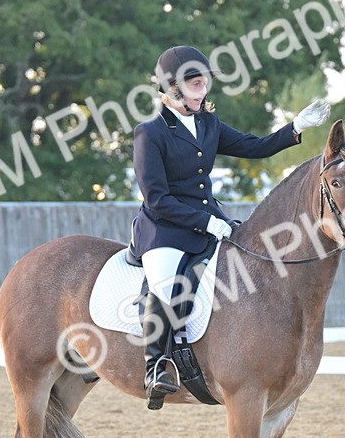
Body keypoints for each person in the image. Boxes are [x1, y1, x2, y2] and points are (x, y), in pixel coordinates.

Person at [130, 45, 331, 407]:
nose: (202, 90)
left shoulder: (208, 123)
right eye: (194, 84)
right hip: (165, 229)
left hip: (211, 224)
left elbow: (256, 146)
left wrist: (296, 127)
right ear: (171, 87)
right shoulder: (150, 133)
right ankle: (156, 364)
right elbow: (157, 198)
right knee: (165, 284)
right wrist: (206, 221)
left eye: (204, 83)